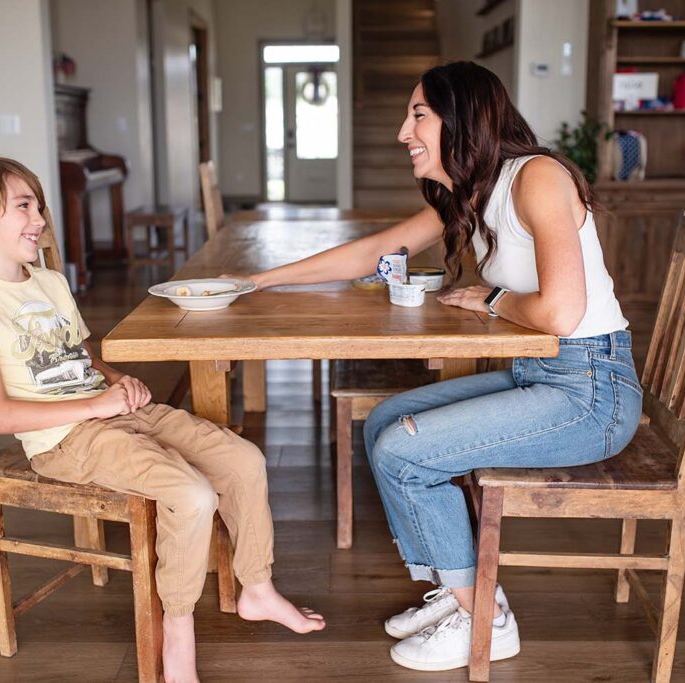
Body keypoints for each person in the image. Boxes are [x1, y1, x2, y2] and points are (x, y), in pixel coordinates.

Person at [244, 62, 641, 672]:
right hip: (544, 375)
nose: (404, 132)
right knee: (384, 423)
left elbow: (562, 312)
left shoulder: (536, 177)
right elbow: (376, 251)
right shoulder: (476, 189)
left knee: (405, 453)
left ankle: (486, 616)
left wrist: (490, 298)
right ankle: (458, 595)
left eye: (419, 115)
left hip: (592, 391)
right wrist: (259, 281)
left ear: (463, 119)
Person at [0, 157, 324, 683]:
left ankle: (256, 588)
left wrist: (115, 381)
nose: (41, 219)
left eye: (39, 205)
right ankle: (178, 627)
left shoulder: (49, 283)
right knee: (191, 494)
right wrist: (97, 407)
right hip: (65, 439)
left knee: (242, 458)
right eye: (24, 206)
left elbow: (80, 357)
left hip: (116, 411)